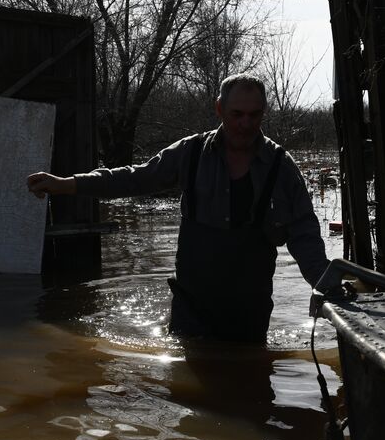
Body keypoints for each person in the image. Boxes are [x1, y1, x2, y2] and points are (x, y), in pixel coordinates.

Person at [27, 74, 329, 343]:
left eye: (255, 115)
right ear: (219, 109)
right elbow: (136, 178)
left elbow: (304, 233)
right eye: (237, 114)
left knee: (251, 391)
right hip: (192, 309)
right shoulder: (192, 153)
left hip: (249, 311)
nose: (245, 124)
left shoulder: (281, 166)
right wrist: (68, 184)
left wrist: (325, 286)